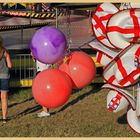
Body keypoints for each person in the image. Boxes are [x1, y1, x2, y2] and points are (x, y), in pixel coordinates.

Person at [31, 53, 51, 118]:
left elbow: (33, 59)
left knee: (42, 92)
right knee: (44, 91)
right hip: (47, 70)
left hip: (41, 70)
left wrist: (33, 56)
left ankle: (45, 111)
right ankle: (45, 110)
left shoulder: (38, 50)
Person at [0, 36, 12, 123]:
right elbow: (10, 66)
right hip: (4, 76)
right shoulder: (5, 51)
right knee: (4, 97)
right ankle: (4, 118)